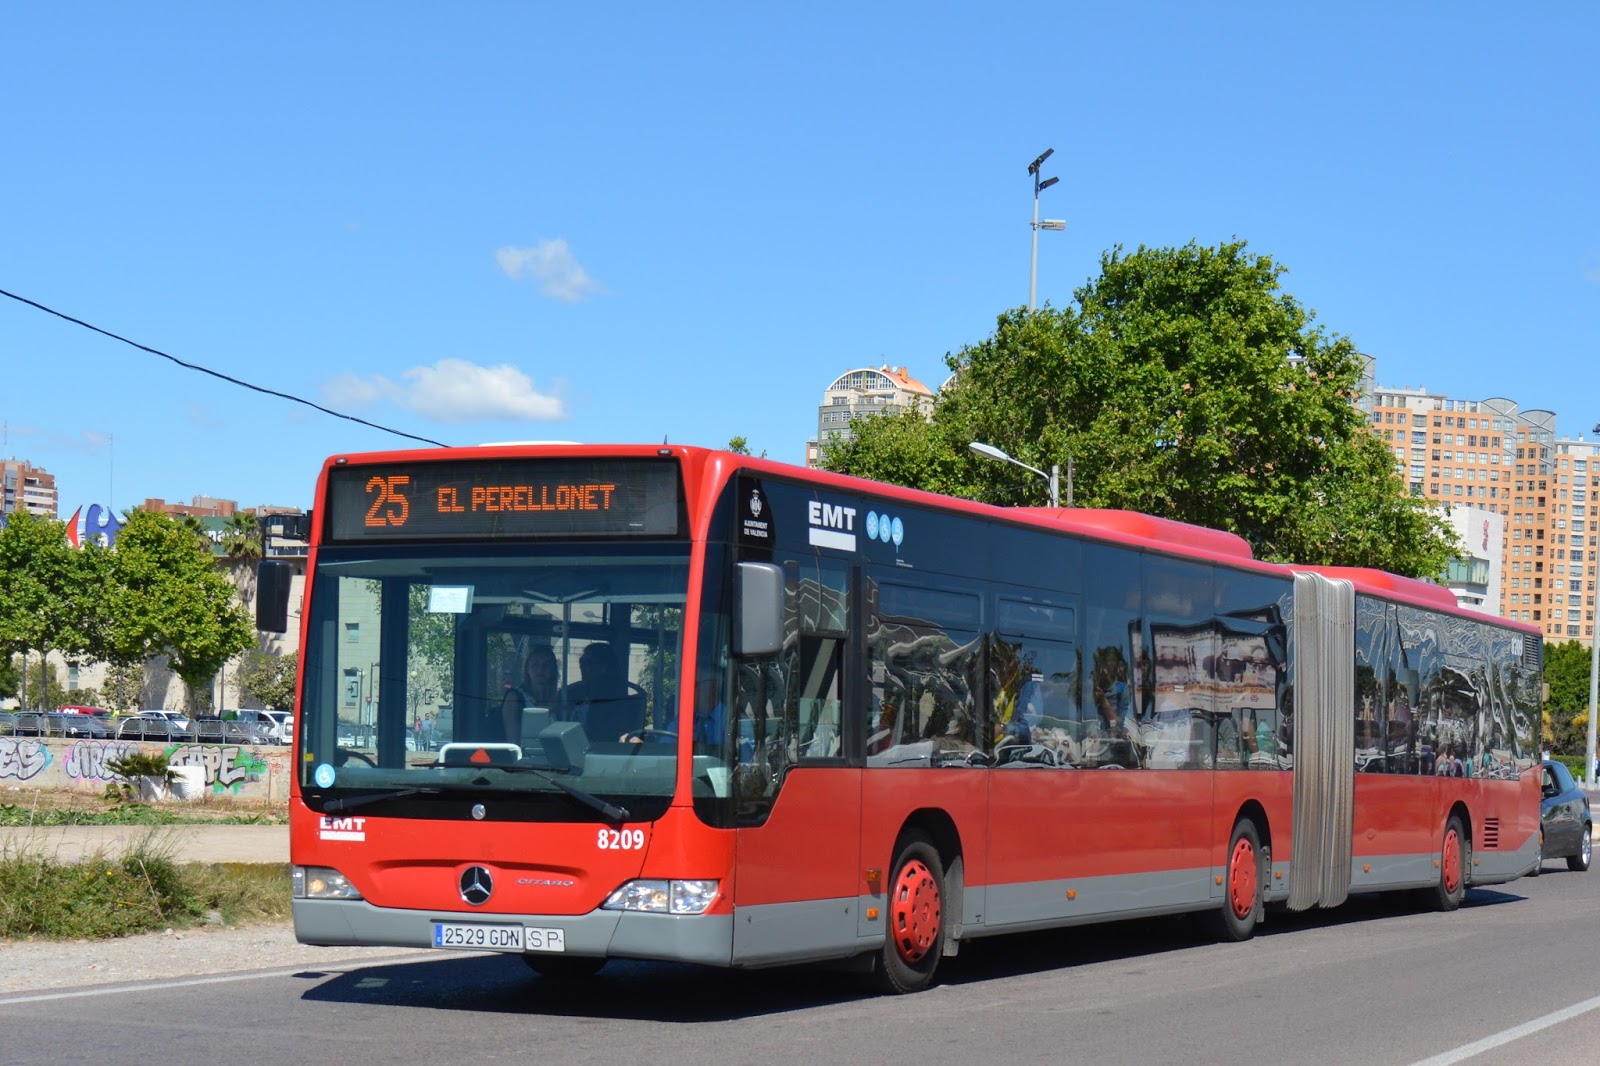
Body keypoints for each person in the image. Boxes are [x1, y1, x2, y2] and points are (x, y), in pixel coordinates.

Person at [566, 643, 644, 741]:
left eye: (588, 662)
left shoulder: (618, 703)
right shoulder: (570, 694)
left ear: (604, 667)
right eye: (581, 661)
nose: (582, 666)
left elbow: (615, 736)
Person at [501, 643, 561, 743]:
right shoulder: (515, 698)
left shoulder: (560, 699)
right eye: (535, 664)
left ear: (553, 670)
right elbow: (513, 743)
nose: (540, 670)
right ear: (527, 669)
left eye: (546, 665)